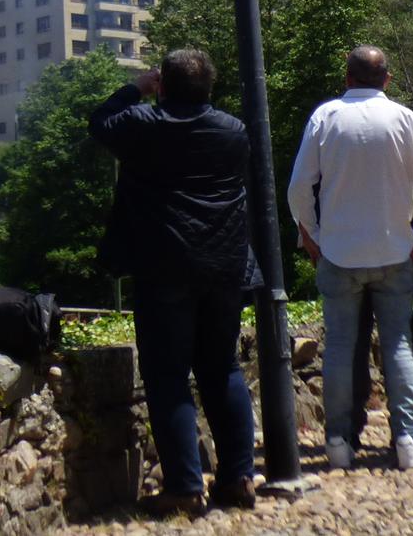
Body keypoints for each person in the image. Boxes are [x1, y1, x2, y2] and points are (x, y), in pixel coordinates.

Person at [91, 49, 260, 516]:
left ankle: (185, 487)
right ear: (209, 88)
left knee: (167, 377)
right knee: (222, 369)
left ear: (162, 84)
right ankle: (238, 479)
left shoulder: (142, 124)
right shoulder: (234, 130)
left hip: (164, 263)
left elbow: (99, 121)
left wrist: (136, 87)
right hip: (225, 263)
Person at [286, 46, 413, 472]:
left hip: (339, 253)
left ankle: (338, 441)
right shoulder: (406, 119)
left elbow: (299, 187)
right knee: (398, 346)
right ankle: (409, 439)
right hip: (395, 250)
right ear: (388, 80)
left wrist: (312, 235)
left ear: (347, 78)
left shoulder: (326, 117)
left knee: (338, 349)